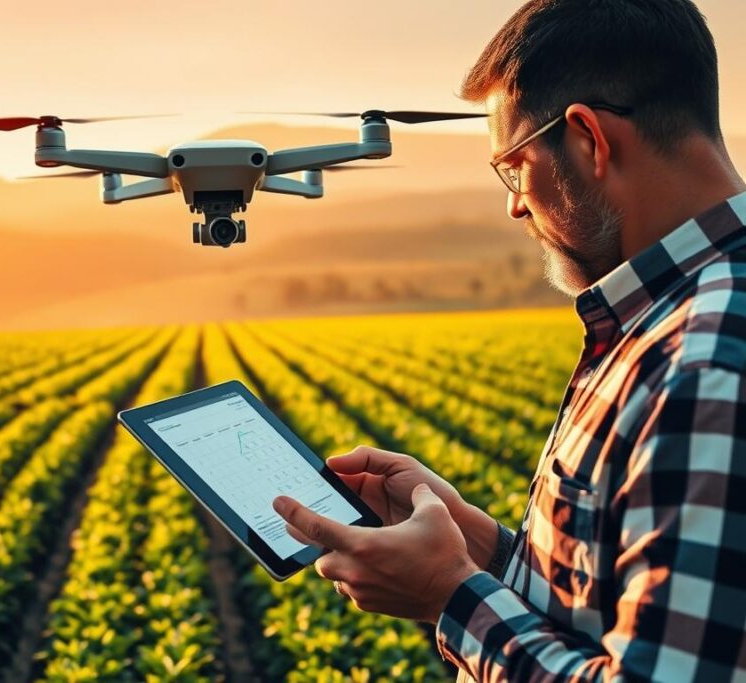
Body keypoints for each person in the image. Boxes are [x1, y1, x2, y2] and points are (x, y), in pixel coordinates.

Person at [272, 0, 746, 680]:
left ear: (589, 139)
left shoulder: (707, 357)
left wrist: (450, 595)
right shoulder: (669, 315)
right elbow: (614, 607)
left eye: (515, 166)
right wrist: (479, 547)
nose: (514, 204)